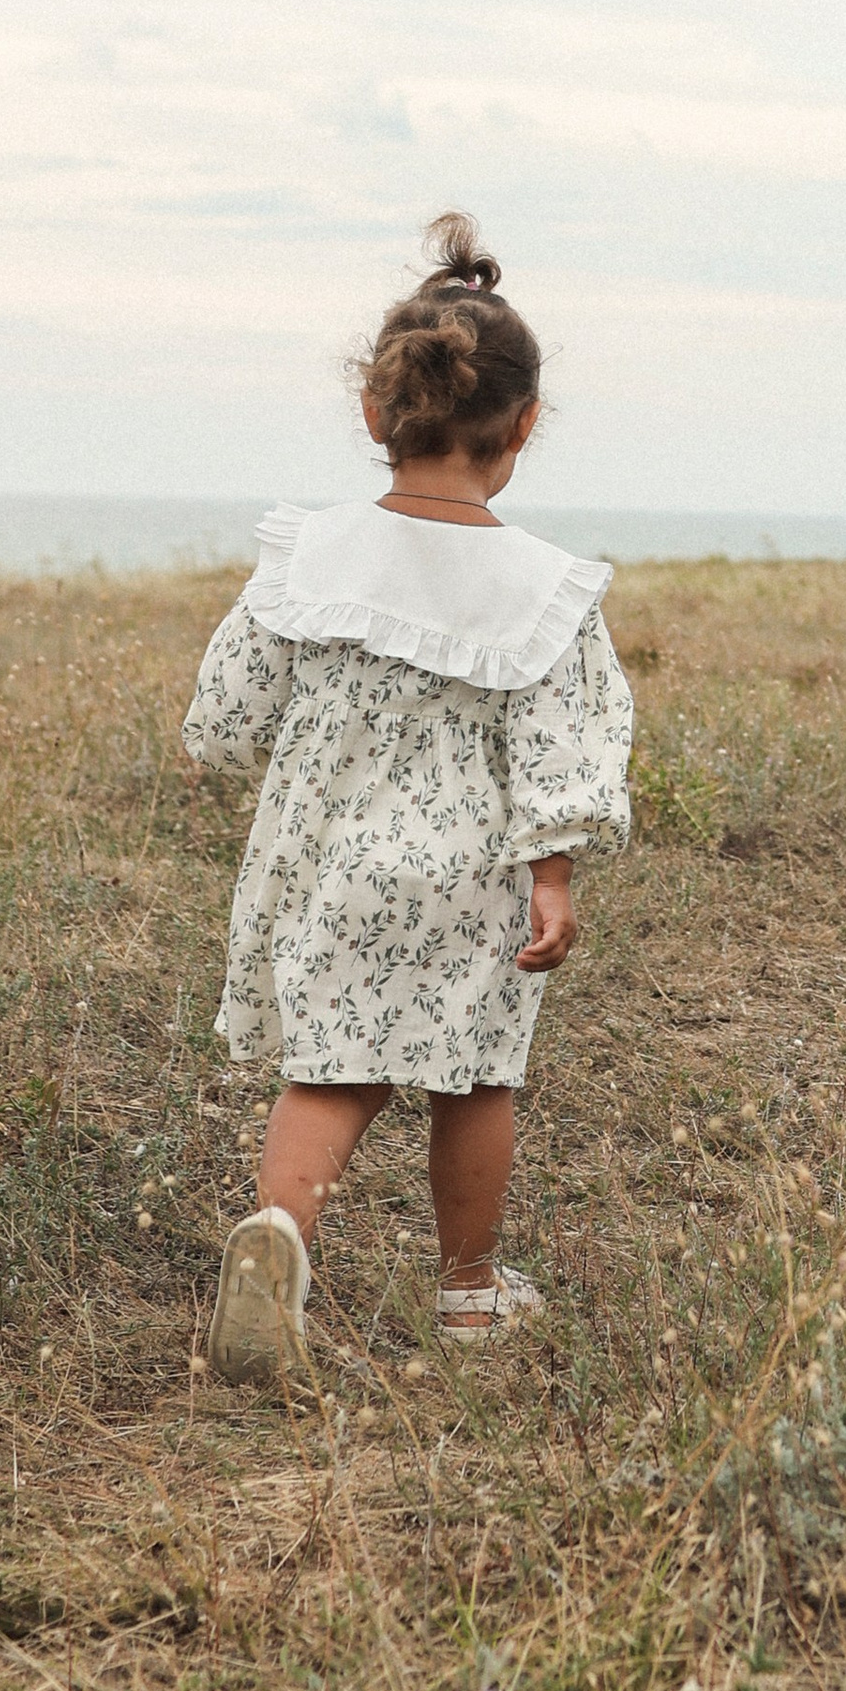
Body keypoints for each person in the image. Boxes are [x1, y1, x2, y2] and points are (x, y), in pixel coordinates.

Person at [183, 215, 634, 1385]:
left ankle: (277, 1241)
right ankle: (471, 1295)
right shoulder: (544, 589)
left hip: (331, 867)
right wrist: (552, 874)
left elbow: (228, 713)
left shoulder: (310, 556)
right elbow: (562, 748)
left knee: (328, 1075)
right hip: (475, 880)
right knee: (475, 1076)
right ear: (524, 426)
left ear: (375, 411)